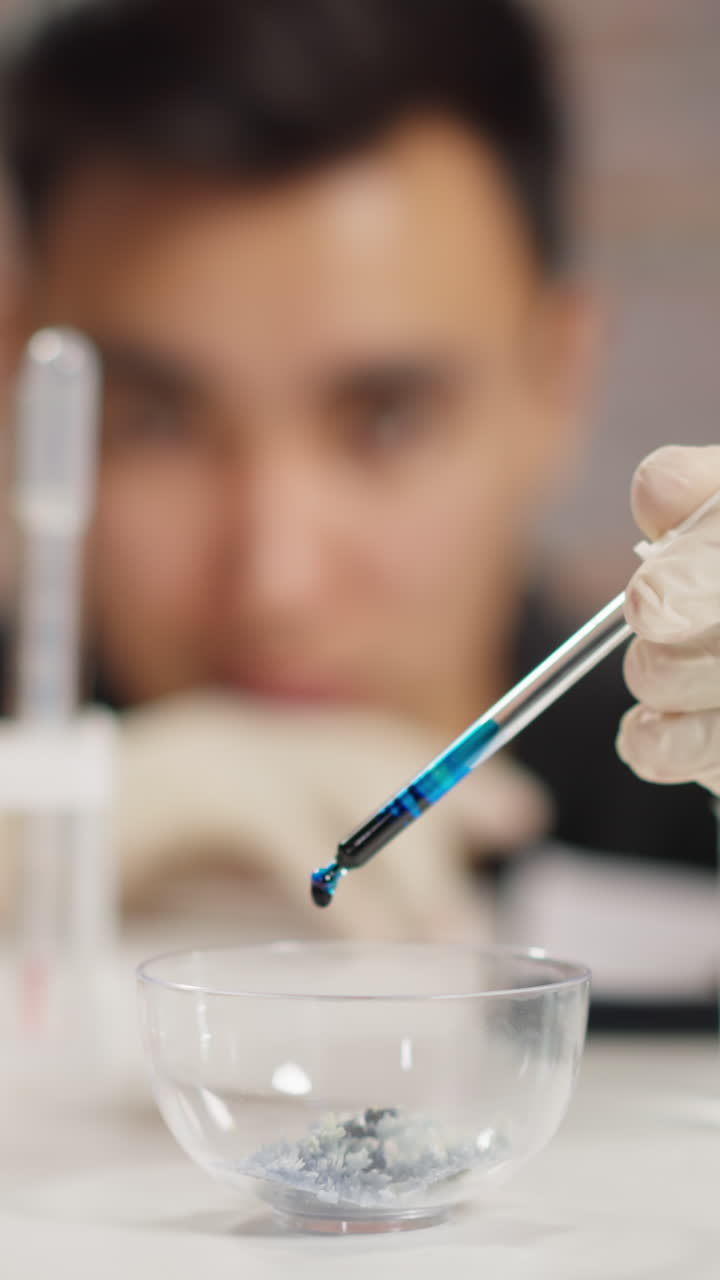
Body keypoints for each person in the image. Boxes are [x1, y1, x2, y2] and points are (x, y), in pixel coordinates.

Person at [0, 2, 717, 1016]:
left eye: (386, 421)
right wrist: (43, 834)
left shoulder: (691, 804)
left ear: (558, 380)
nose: (276, 580)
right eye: (159, 419)